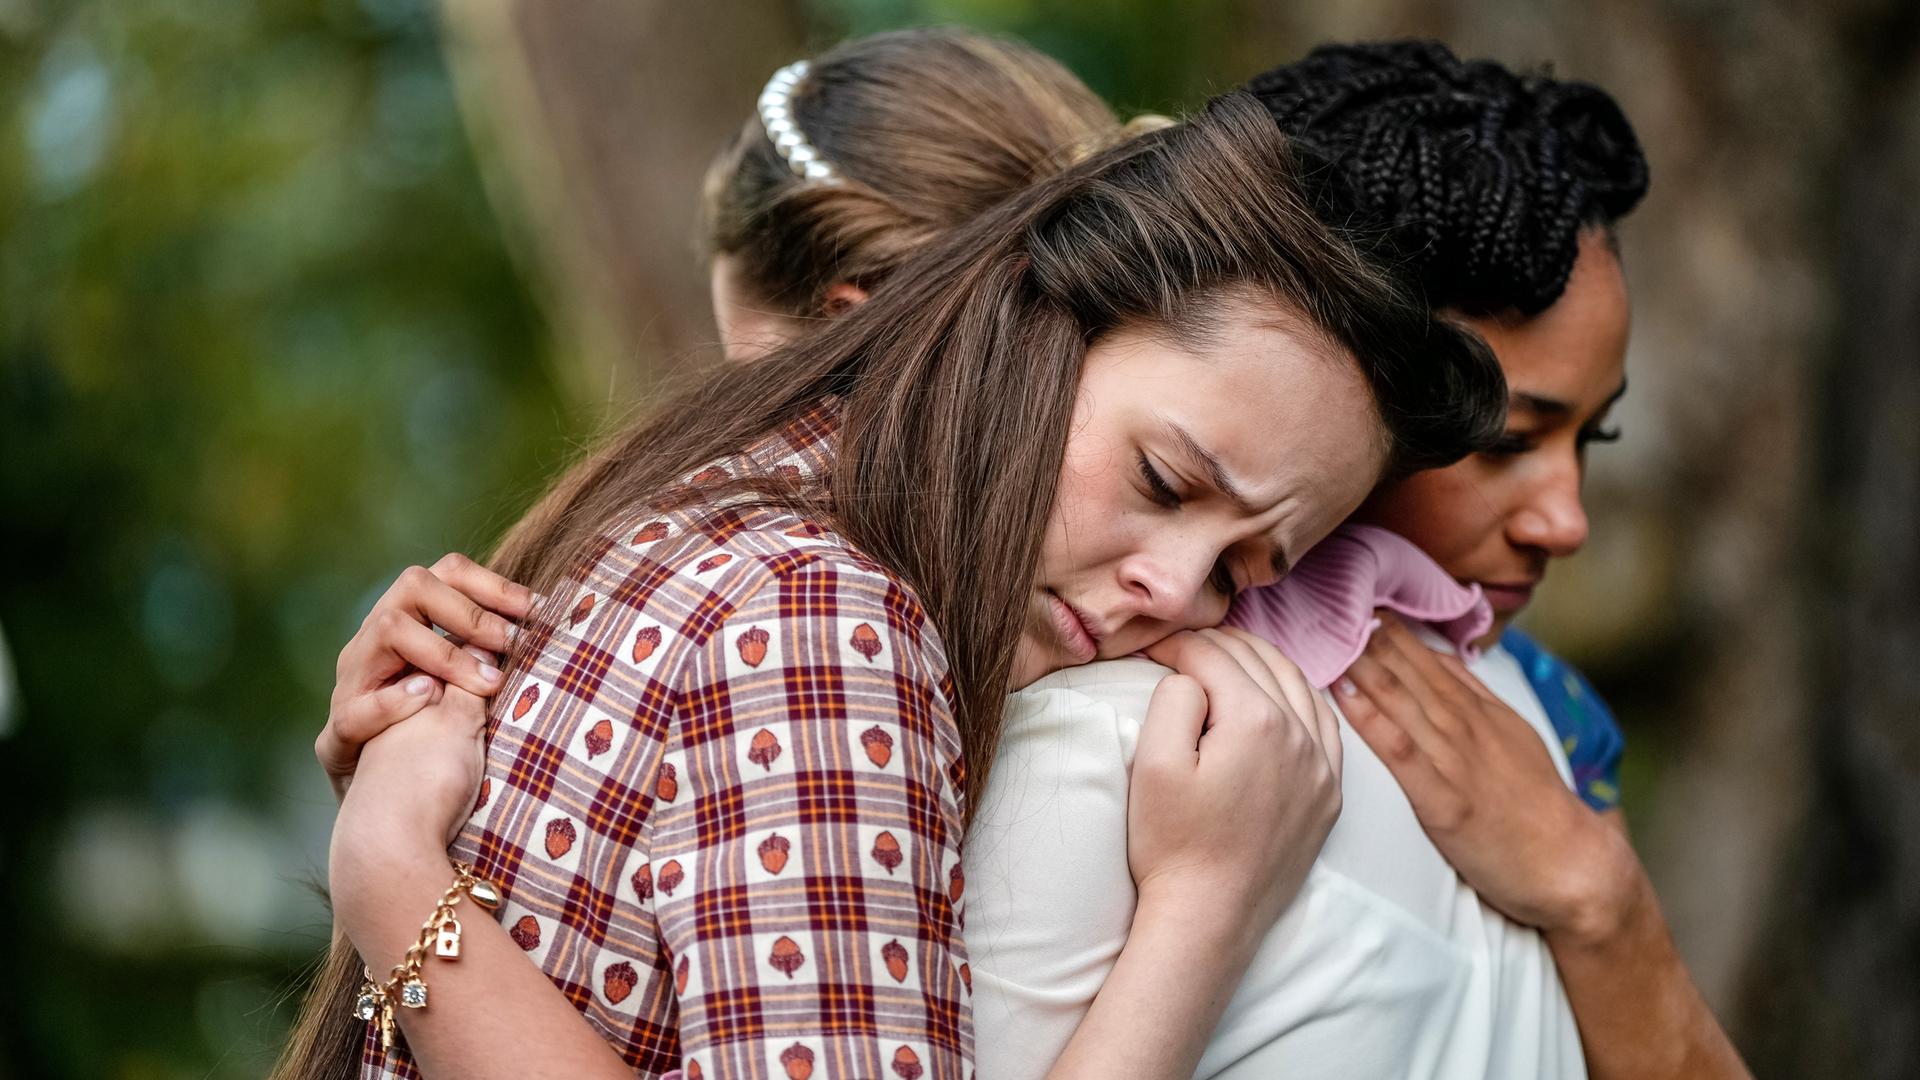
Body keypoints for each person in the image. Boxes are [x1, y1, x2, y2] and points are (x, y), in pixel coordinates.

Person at [276, 89, 1507, 1080]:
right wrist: (1207, 906)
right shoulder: (823, 621)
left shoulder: (720, 503)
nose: (1172, 590)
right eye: (1166, 480)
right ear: (1035, 320)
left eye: (1245, 568)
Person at [964, 40, 1750, 1080]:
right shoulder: (1120, 727)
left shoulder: (1544, 725)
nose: (1566, 521)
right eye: (1507, 440)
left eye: (1588, 440)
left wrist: (1599, 895)